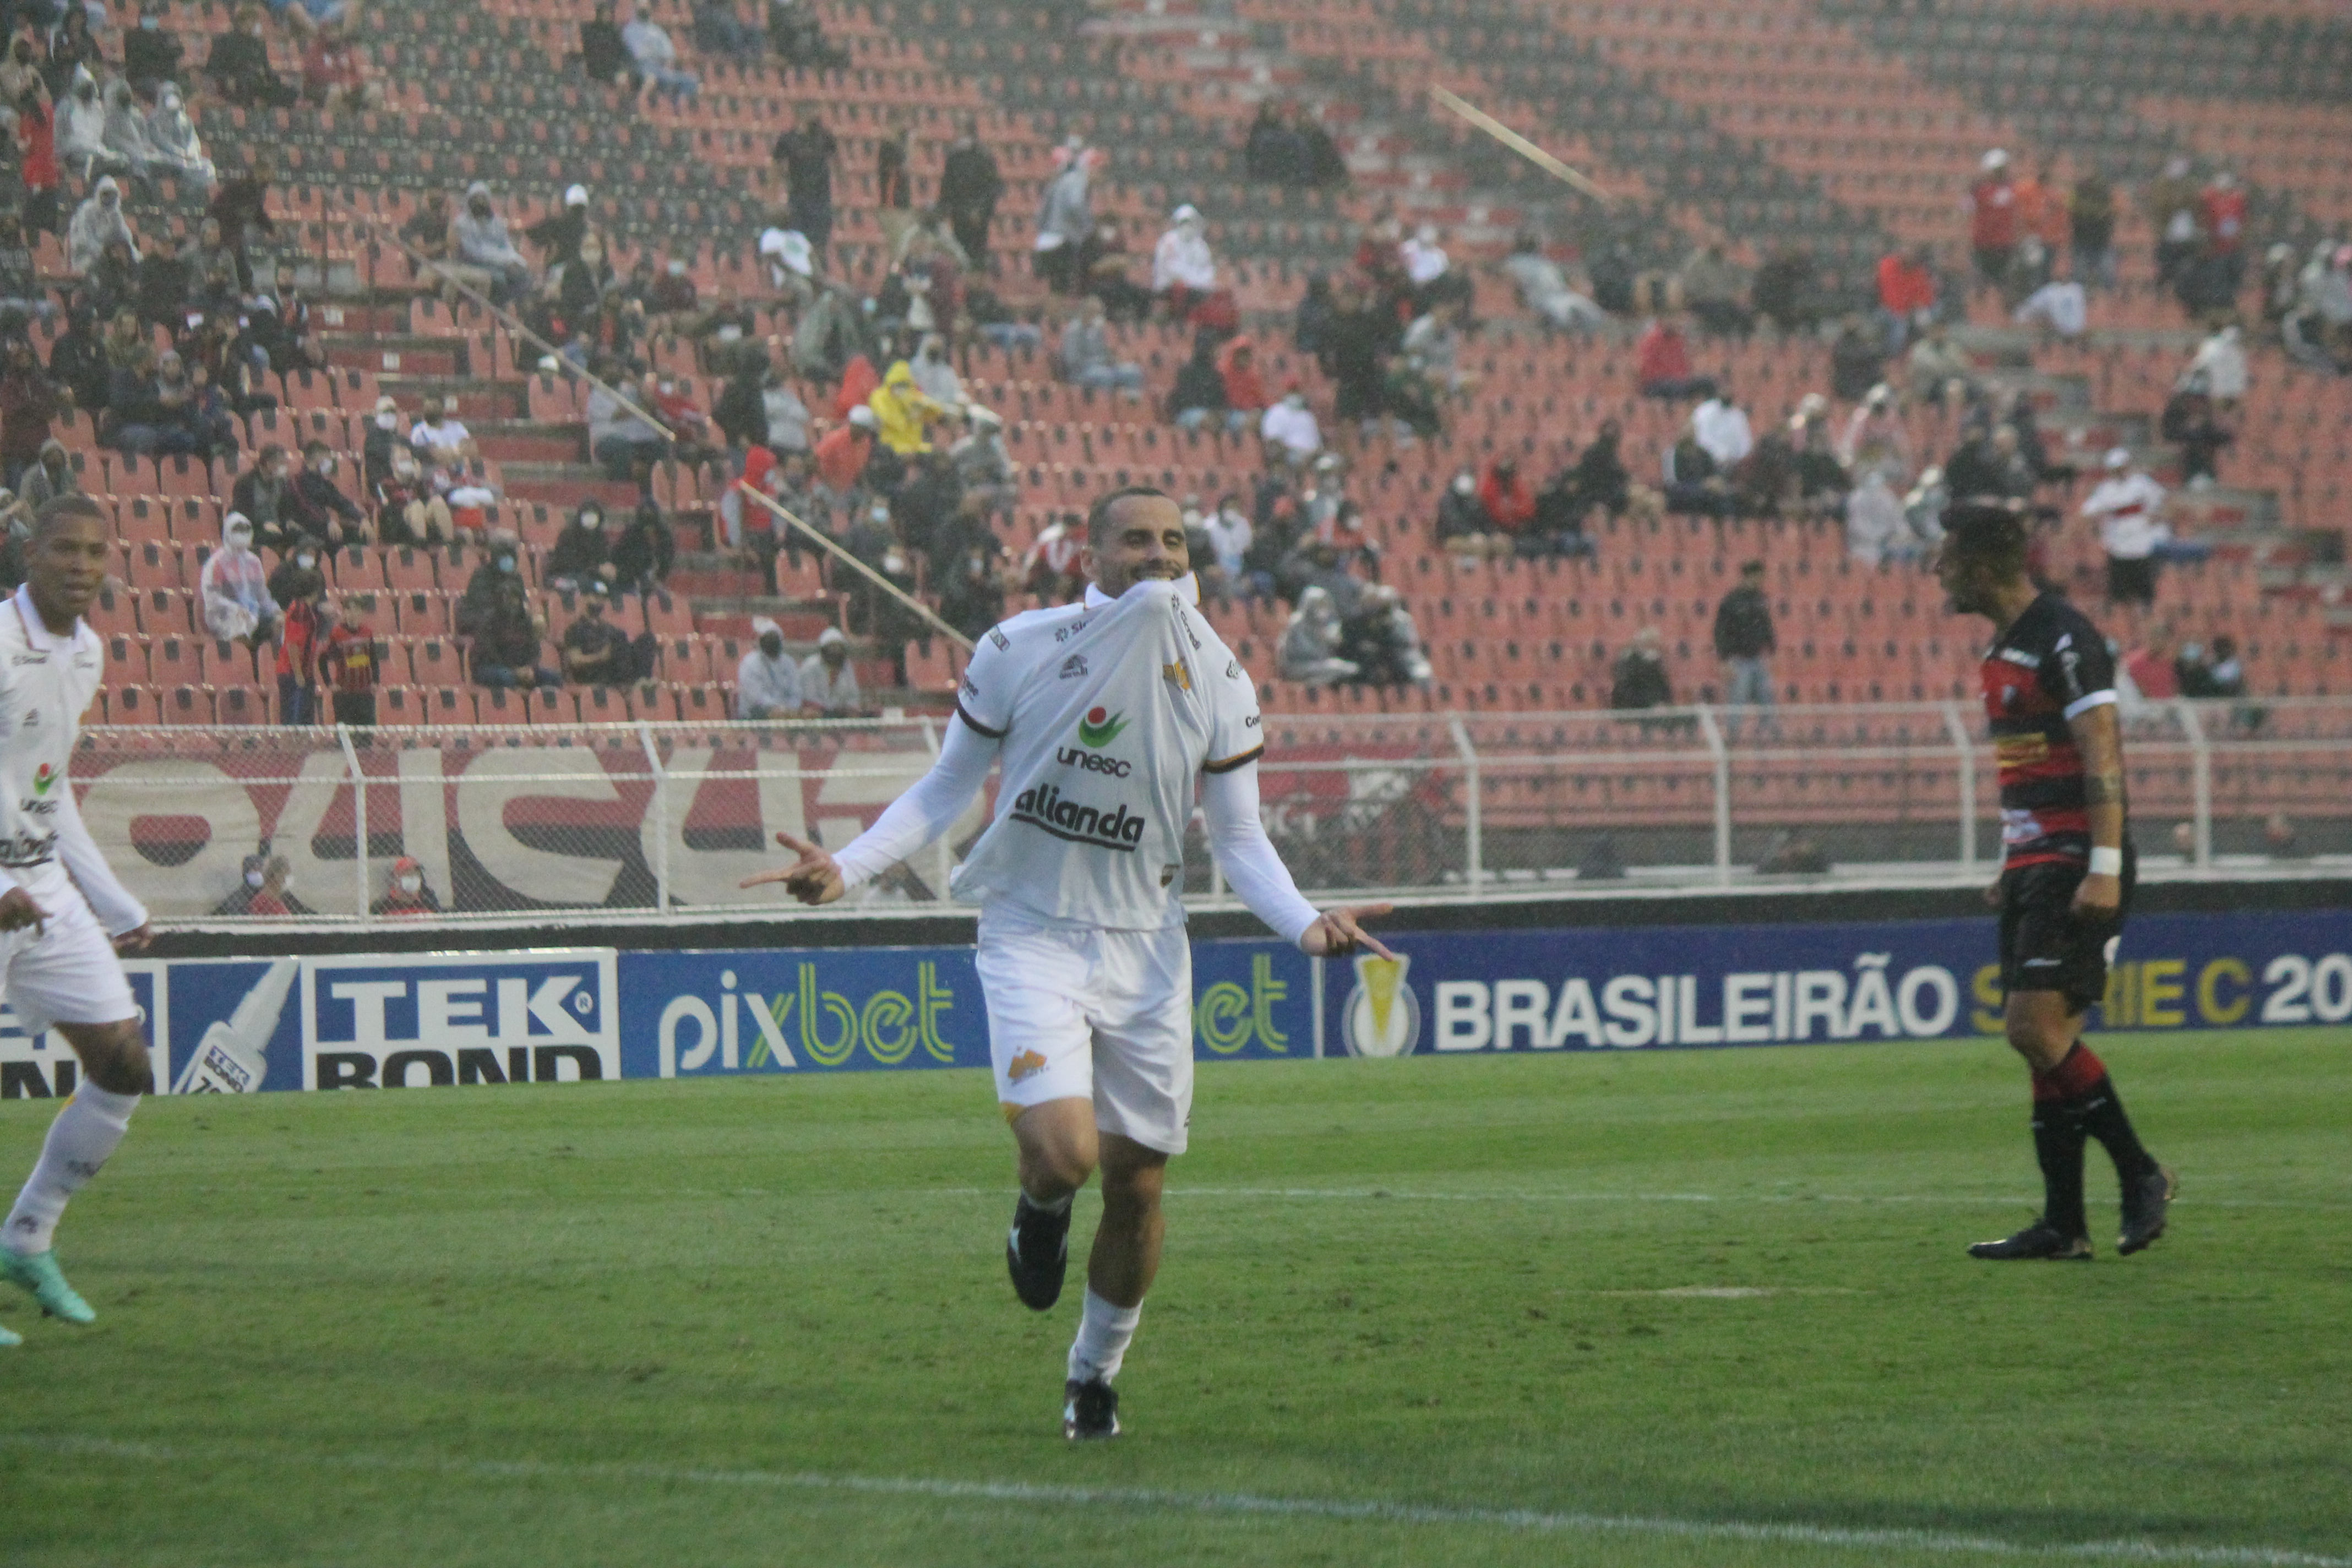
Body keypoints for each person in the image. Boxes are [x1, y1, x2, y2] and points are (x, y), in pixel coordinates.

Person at [740, 487, 1390, 1439]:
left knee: (1138, 1184)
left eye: (1173, 539)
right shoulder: (1017, 647)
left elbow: (1240, 840)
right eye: (1136, 538)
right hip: (1030, 930)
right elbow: (946, 787)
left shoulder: (1221, 678)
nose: (1158, 555)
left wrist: (1303, 925)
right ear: (1091, 556)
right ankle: (1038, 1205)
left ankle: (1094, 1373)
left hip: (1146, 949)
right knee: (1066, 1153)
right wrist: (850, 865)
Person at [1934, 500, 2172, 1262]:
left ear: (1980, 565)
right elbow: (2030, 767)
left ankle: (2141, 1172)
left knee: (2033, 1030)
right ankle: (2065, 1224)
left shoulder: (2063, 636)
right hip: (2038, 861)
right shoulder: (2007, 645)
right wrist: (2013, 858)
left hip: (2077, 862)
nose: (1936, 570)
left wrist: (2102, 865)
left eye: (1946, 558)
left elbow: (2101, 750)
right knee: (2045, 1041)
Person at [0, 495, 159, 1345]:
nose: (82, 565)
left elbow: (46, 788)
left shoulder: (87, 651)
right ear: (30, 554)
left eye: (97, 551)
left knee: (123, 1059)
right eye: (66, 549)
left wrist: (114, 900)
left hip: (38, 882)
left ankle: (27, 1239)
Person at [456, 535, 559, 689]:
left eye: (515, 598)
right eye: (509, 598)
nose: (513, 602)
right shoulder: (490, 620)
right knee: (507, 677)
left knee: (553, 678)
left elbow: (533, 649)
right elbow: (490, 653)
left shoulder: (522, 619)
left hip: (519, 666)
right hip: (493, 665)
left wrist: (530, 668)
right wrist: (515, 671)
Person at [2081, 448, 2166, 607]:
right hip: (2118, 548)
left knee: (2145, 593)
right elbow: (2088, 511)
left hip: (2142, 546)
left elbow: (2162, 501)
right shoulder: (2105, 489)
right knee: (2119, 595)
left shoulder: (2142, 484)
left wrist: (2155, 517)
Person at [1712, 560, 1776, 726]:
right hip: (1738, 659)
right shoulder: (1732, 600)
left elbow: (1766, 625)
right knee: (1737, 701)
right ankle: (1733, 738)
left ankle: (1766, 736)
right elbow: (1721, 631)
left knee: (1767, 698)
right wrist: (1724, 660)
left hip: (1757, 658)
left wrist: (1772, 649)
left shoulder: (1760, 599)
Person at [199, 512, 278, 646]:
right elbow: (213, 598)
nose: (242, 535)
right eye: (237, 531)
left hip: (253, 613)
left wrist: (276, 612)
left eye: (245, 531)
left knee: (281, 624)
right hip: (224, 615)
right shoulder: (216, 563)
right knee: (241, 623)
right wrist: (236, 608)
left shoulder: (254, 562)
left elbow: (262, 595)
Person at [938, 117, 1002, 268]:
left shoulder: (984, 156)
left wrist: (980, 210)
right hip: (959, 215)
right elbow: (947, 187)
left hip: (978, 217)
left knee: (977, 257)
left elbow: (993, 188)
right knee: (960, 255)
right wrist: (944, 210)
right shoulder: (954, 157)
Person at [560, 579, 640, 687]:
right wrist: (600, 657)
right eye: (596, 597)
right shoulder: (575, 629)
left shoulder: (610, 629)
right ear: (584, 598)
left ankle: (637, 682)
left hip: (612, 673)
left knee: (643, 640)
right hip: (591, 675)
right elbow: (576, 660)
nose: (600, 601)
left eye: (603, 598)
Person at [318, 597, 378, 729]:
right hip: (344, 694)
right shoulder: (336, 634)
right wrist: (329, 684)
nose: (353, 614)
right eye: (349, 610)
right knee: (345, 736)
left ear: (362, 613)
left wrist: (376, 681)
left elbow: (374, 659)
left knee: (366, 735)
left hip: (365, 694)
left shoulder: (367, 633)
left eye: (357, 610)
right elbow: (322, 660)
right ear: (344, 613)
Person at [622, 7, 697, 105]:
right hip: (641, 67)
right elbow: (637, 54)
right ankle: (639, 105)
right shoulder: (630, 30)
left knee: (691, 80)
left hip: (659, 67)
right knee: (650, 80)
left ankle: (678, 107)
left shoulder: (656, 31)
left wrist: (667, 65)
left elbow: (669, 53)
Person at [736, 617, 804, 718]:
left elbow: (796, 692)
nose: (772, 642)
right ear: (761, 641)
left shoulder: (789, 663)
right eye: (768, 639)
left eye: (775, 638)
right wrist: (778, 708)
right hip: (756, 713)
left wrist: (789, 709)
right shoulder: (750, 663)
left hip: (787, 712)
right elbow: (756, 698)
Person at [799, 624, 861, 716]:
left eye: (838, 648)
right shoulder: (810, 666)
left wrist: (849, 707)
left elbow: (853, 695)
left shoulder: (847, 667)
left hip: (842, 714)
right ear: (824, 649)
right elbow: (809, 697)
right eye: (832, 647)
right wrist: (829, 709)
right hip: (818, 714)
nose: (836, 651)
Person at [1610, 627, 1673, 711]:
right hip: (1633, 710)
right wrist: (1652, 705)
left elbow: (1663, 688)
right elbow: (1626, 691)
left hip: (1656, 708)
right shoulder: (1629, 663)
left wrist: (1663, 704)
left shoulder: (1655, 664)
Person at [372, 856, 442, 917]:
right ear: (397, 878)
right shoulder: (384, 905)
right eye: (408, 874)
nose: (413, 878)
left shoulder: (428, 902)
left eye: (416, 874)